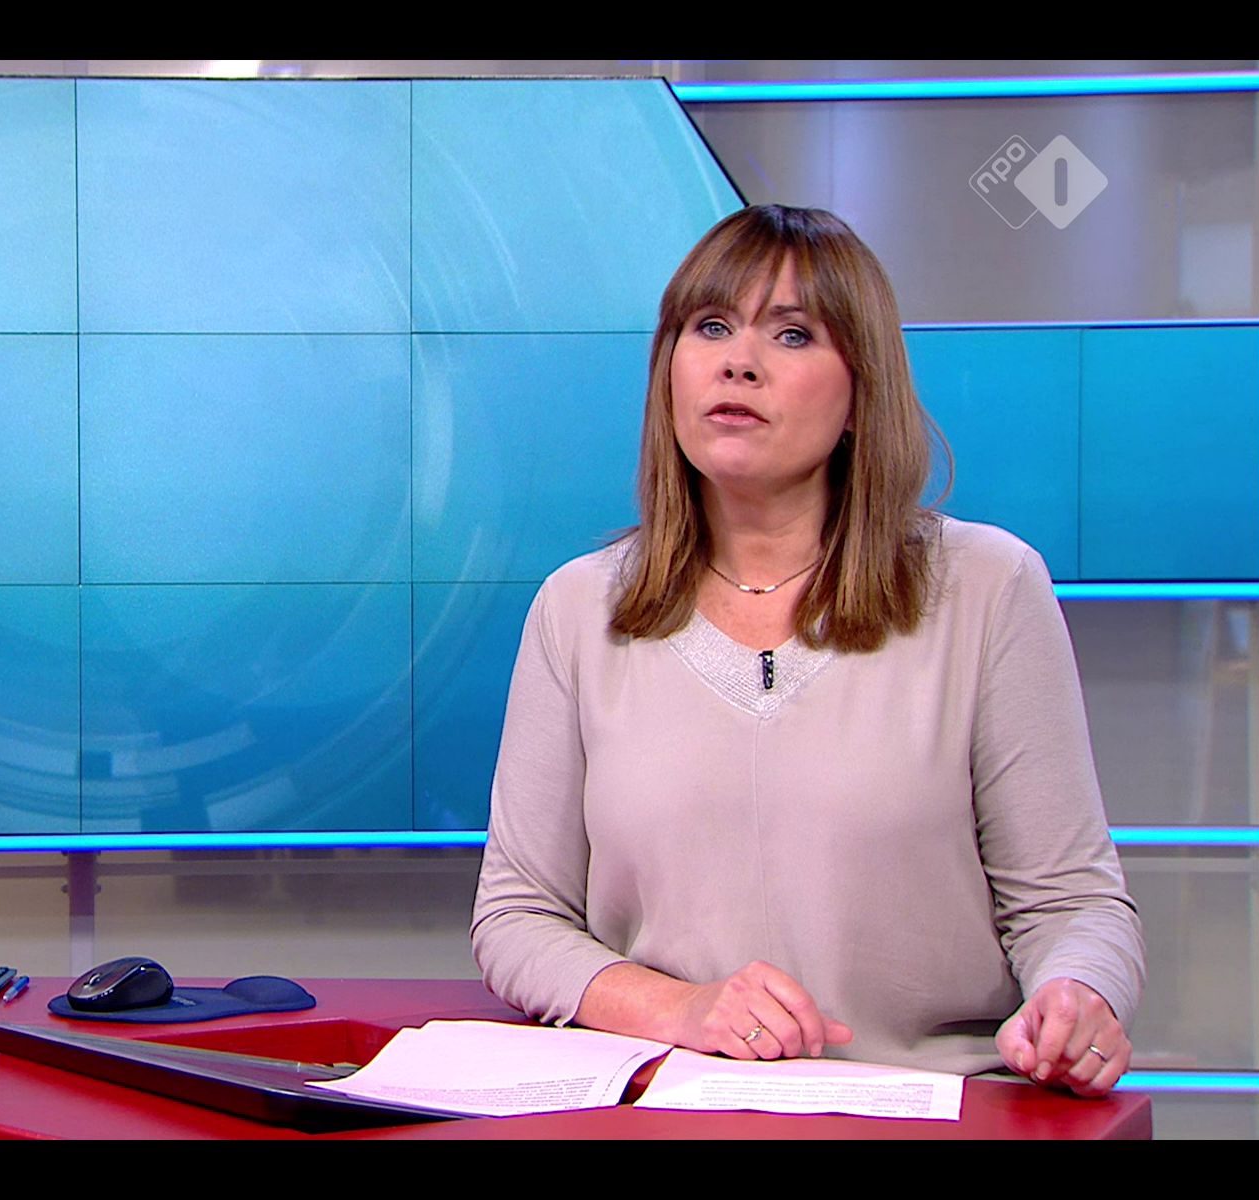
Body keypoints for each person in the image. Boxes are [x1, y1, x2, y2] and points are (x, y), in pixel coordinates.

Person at [470, 204, 1145, 1094]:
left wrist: (1075, 993)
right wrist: (680, 1009)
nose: (738, 362)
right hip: (670, 1105)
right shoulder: (579, 608)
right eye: (711, 327)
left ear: (862, 392)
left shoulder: (988, 587)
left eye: (792, 334)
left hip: (929, 1106)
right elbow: (518, 917)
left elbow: (1071, 904)